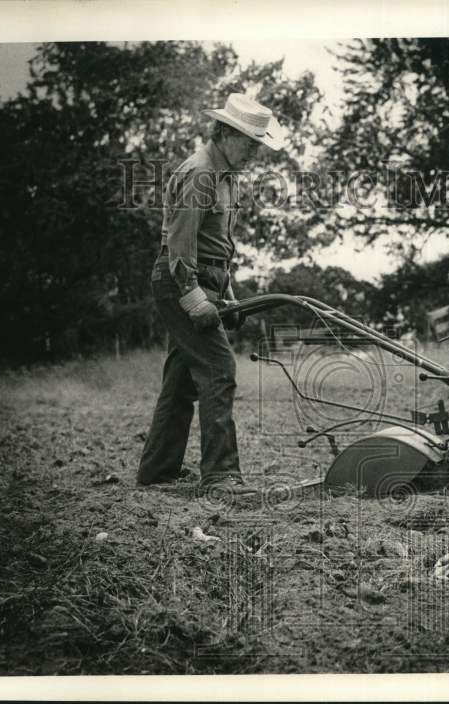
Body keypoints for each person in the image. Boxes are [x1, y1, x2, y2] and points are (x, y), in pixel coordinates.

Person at [137, 93, 286, 492]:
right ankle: (220, 475)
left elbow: (217, 245)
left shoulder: (226, 178)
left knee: (181, 380)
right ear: (225, 133)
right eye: (251, 142)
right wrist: (193, 297)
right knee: (220, 369)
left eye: (258, 144)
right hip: (181, 281)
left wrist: (229, 292)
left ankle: (157, 472)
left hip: (207, 279)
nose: (255, 151)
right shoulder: (201, 173)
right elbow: (181, 245)